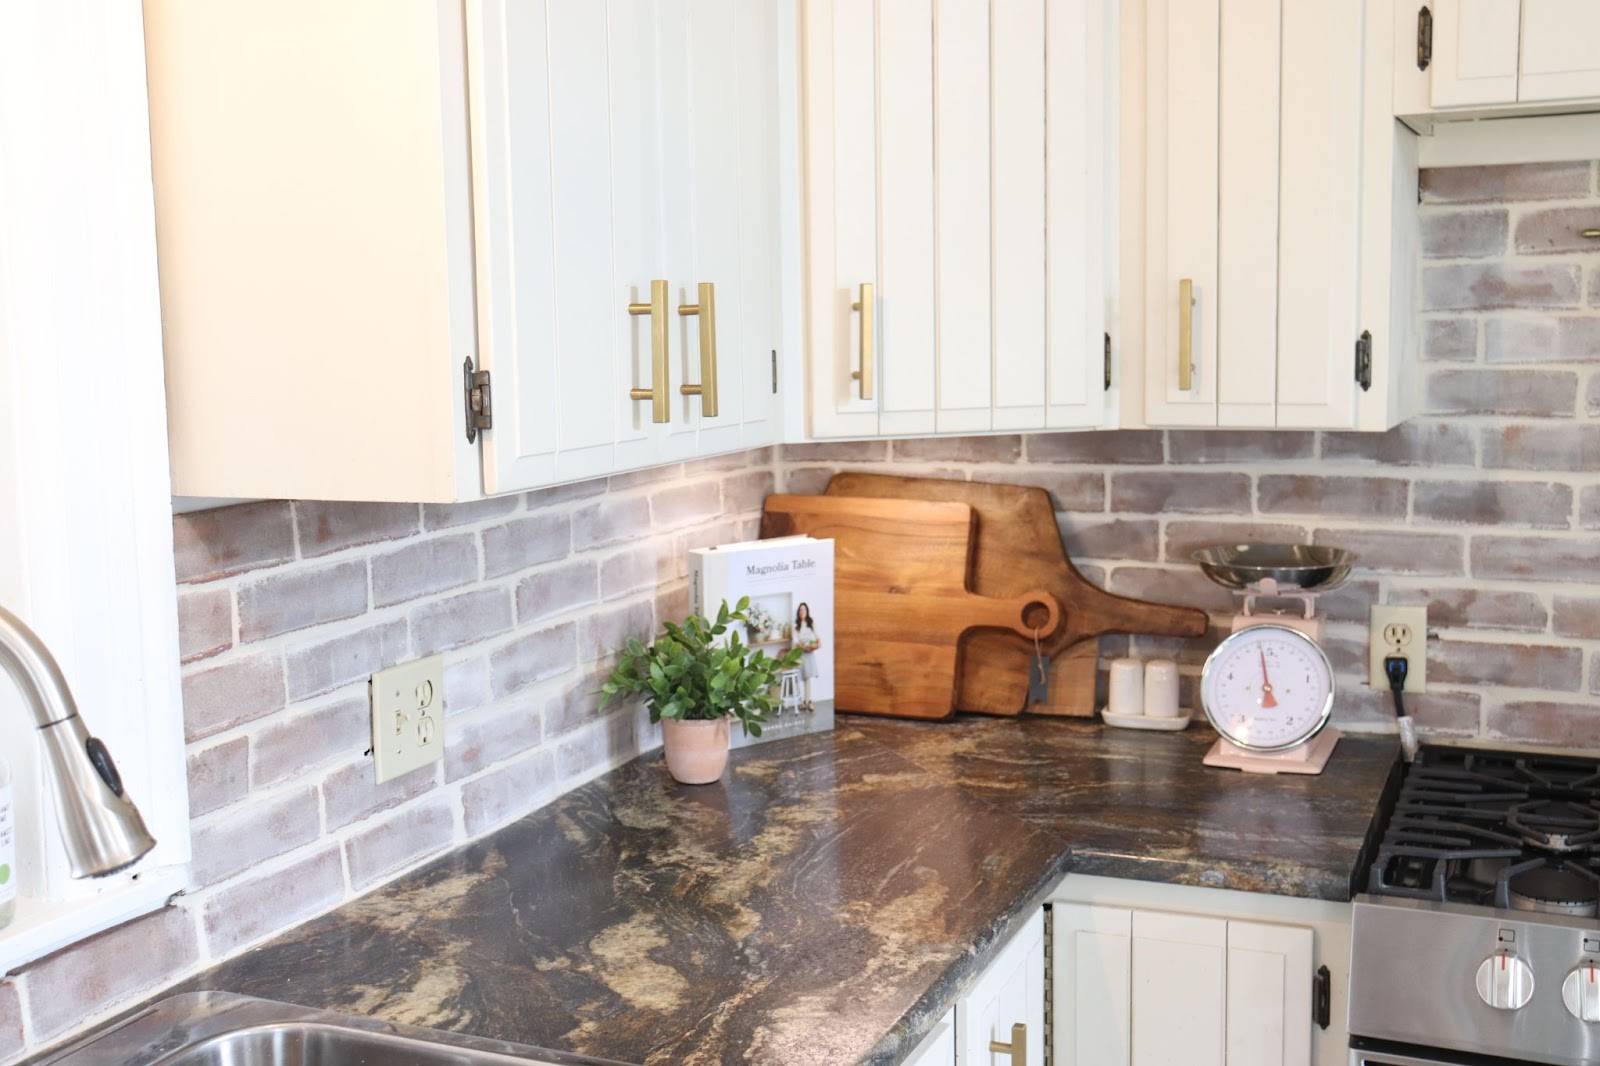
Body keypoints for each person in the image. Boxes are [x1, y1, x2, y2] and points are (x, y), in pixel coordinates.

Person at [794, 602, 821, 712]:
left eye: (804, 609)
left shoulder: (811, 622)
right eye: (800, 610)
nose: (802, 611)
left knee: (808, 676)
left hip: (809, 653)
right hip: (800, 653)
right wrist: (802, 647)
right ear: (798, 612)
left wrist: (817, 644)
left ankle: (809, 701)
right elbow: (796, 641)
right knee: (802, 677)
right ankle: (803, 702)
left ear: (807, 611)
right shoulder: (796, 625)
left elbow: (817, 637)